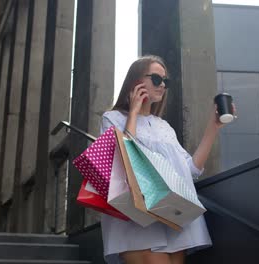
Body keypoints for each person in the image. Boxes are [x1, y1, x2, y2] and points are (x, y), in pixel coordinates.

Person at [99, 55, 235, 264]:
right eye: (156, 78)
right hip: (136, 216)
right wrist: (134, 112)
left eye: (165, 81)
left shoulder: (164, 127)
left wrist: (213, 127)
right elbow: (124, 159)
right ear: (136, 81)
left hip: (170, 215)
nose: (162, 85)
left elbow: (190, 170)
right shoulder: (112, 118)